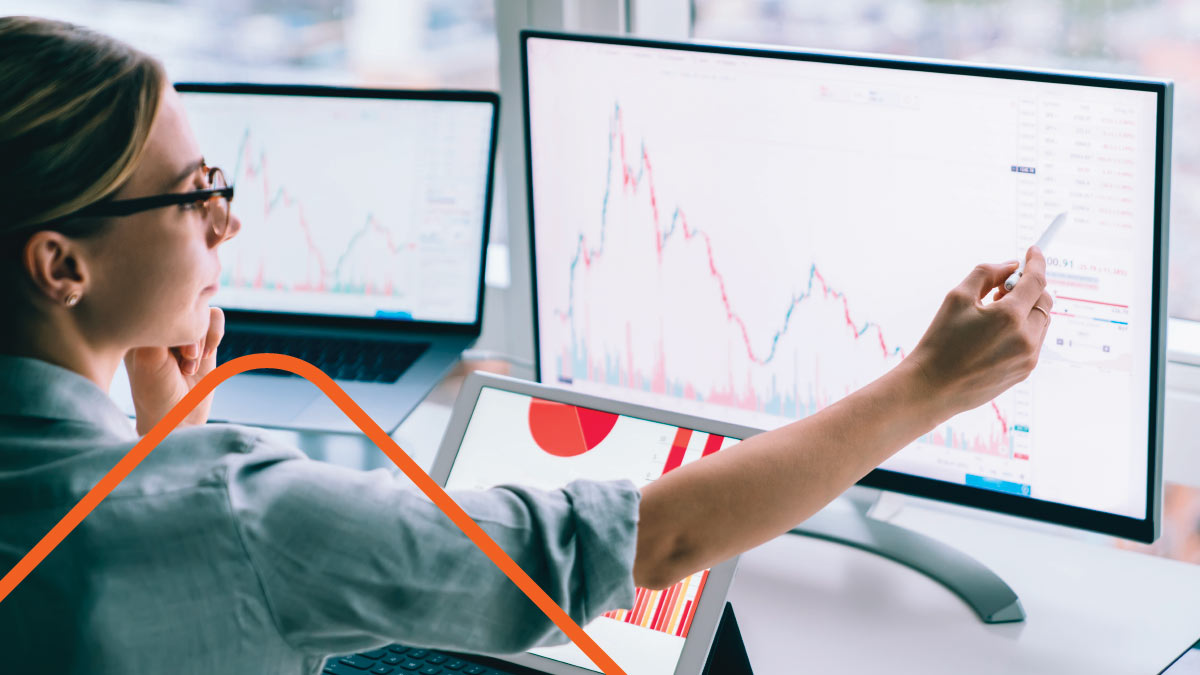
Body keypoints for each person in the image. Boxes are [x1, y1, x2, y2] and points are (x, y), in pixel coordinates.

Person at [0, 15, 1053, 674]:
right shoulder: (236, 511)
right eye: (193, 195)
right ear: (61, 266)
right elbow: (649, 545)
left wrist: (164, 436)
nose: (227, 223)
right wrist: (928, 385)